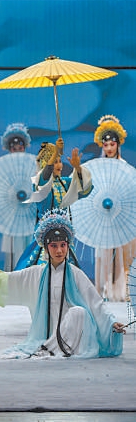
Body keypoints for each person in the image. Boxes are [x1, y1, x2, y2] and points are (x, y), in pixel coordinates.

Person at [0, 208, 125, 359]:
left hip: (74, 331)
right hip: (49, 331)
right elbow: (11, 279)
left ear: (68, 246)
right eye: (54, 246)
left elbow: (95, 303)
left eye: (63, 245)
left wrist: (111, 323)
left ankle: (56, 347)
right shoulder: (38, 273)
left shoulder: (75, 274)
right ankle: (50, 346)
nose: (59, 251)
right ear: (46, 247)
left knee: (78, 312)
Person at [14, 138, 92, 270]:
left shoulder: (64, 183)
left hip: (63, 235)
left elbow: (84, 189)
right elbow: (45, 176)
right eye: (55, 161)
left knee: (68, 271)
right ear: (46, 163)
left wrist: (78, 168)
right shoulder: (40, 184)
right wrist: (56, 151)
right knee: (43, 270)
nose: (59, 165)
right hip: (46, 235)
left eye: (60, 161)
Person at [92, 115, 135, 301]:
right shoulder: (98, 168)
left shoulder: (125, 167)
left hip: (121, 215)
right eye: (106, 145)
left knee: (122, 252)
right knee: (105, 252)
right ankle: (105, 289)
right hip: (104, 214)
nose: (109, 148)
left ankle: (121, 290)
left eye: (112, 144)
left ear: (118, 144)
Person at [0, 123, 32, 271]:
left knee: (28, 247)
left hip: (28, 212)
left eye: (20, 148)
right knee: (14, 250)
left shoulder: (32, 166)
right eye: (14, 149)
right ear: (9, 150)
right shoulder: (4, 169)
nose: (18, 151)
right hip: (13, 213)